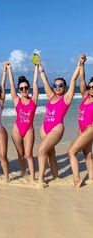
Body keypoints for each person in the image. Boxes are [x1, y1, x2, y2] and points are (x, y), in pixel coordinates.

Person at [37, 56, 81, 186]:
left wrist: (79, 64)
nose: (57, 87)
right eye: (55, 85)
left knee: (40, 150)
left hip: (56, 128)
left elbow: (73, 80)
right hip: (44, 127)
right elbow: (45, 83)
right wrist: (40, 67)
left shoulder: (66, 98)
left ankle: (40, 179)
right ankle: (56, 177)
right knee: (50, 153)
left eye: (60, 85)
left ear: (64, 87)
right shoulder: (51, 97)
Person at [8, 60, 39, 182]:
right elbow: (11, 85)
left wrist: (36, 66)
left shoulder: (34, 100)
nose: (24, 90)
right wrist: (9, 69)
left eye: (26, 87)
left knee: (28, 154)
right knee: (20, 154)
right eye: (21, 88)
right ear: (19, 90)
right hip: (16, 130)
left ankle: (32, 178)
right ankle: (23, 172)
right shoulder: (16, 100)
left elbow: (36, 81)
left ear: (29, 88)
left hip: (28, 130)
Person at [68, 54, 93, 187]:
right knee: (87, 154)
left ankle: (77, 180)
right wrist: (81, 63)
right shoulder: (85, 96)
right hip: (81, 128)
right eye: (90, 87)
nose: (90, 89)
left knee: (71, 151)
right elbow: (81, 79)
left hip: (90, 129)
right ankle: (91, 178)